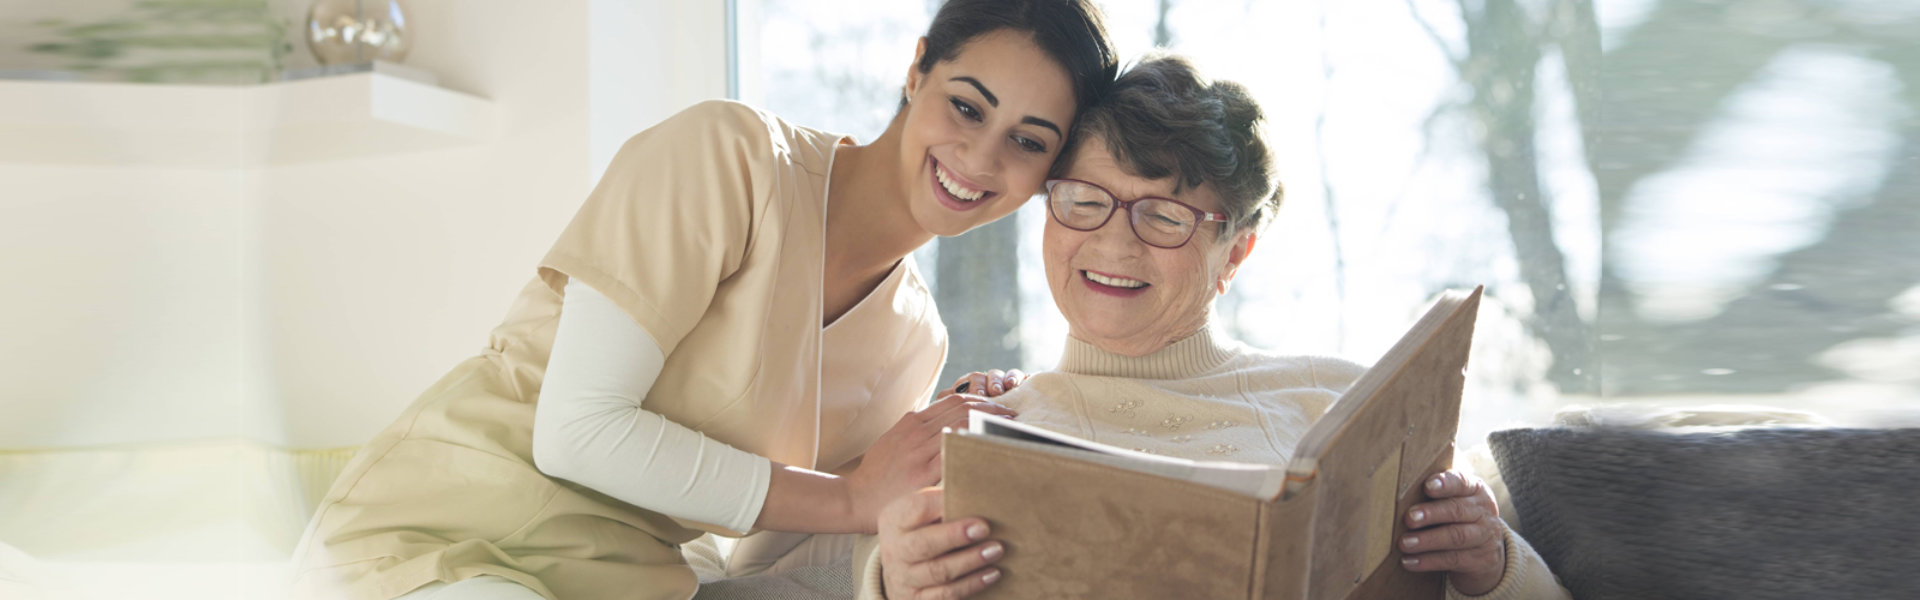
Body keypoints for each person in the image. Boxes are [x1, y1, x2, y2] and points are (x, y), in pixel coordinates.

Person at [289, 2, 1118, 599]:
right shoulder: (733, 159)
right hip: (443, 536)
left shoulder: (914, 343)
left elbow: (765, 558)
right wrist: (853, 497)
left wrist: (940, 468)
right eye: (965, 105)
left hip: (633, 583)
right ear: (917, 69)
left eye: (1028, 141)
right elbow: (577, 432)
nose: (978, 155)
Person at [858, 54, 1574, 600]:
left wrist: (1494, 564)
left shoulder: (1340, 403)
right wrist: (892, 579)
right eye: (1083, 201)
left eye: (1164, 217)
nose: (1114, 243)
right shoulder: (984, 428)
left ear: (1234, 251)